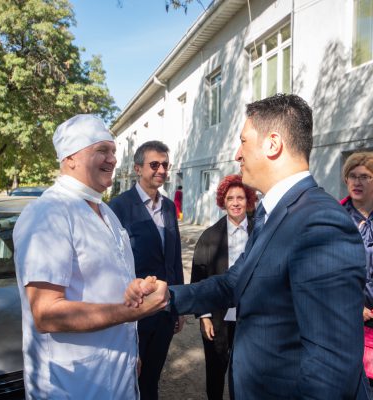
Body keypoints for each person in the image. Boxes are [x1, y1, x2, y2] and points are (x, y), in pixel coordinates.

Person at [125, 94, 370, 399]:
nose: (237, 154)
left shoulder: (320, 223)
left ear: (273, 144)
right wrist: (168, 296)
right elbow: (233, 283)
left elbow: (331, 368)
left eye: (243, 141)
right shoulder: (272, 214)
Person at [13, 115, 168, 400]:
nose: (113, 159)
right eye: (102, 150)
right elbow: (46, 313)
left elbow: (103, 281)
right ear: (70, 158)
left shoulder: (106, 212)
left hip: (117, 373)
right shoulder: (48, 213)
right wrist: (134, 312)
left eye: (113, 151)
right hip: (72, 384)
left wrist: (134, 290)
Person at [109, 140, 184, 400]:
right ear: (138, 168)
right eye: (154, 164)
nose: (161, 170)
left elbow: (174, 258)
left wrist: (179, 305)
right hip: (135, 313)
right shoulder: (118, 208)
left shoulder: (168, 207)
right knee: (130, 380)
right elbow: (112, 263)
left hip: (164, 311)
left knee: (152, 378)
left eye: (165, 165)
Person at [191, 174, 257, 400]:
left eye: (240, 197)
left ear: (248, 200)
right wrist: (204, 316)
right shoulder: (209, 237)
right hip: (218, 317)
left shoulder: (260, 232)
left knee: (247, 373)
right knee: (215, 371)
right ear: (223, 202)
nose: (236, 203)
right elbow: (198, 279)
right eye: (230, 198)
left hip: (252, 315)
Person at [341, 152, 373, 384]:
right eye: (352, 176)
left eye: (364, 176)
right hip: (347, 319)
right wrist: (354, 303)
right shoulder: (335, 216)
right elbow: (327, 269)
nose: (357, 182)